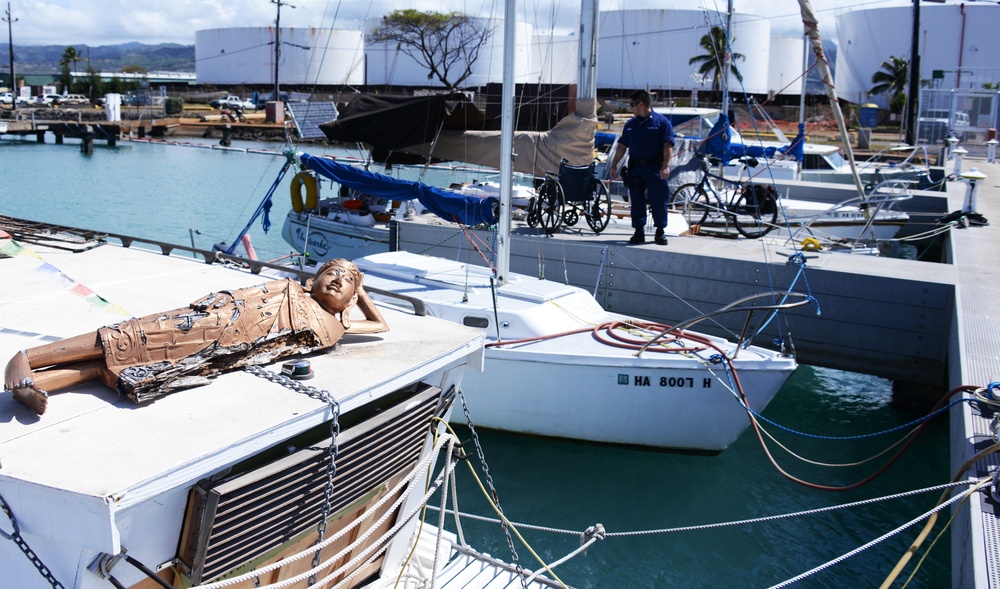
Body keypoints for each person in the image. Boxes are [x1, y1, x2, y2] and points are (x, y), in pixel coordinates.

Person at [3, 259, 388, 416]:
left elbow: (381, 326)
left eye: (346, 280)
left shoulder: (335, 326)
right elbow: (243, 299)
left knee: (138, 365)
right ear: (314, 277)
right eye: (332, 272)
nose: (337, 280)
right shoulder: (291, 288)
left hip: (231, 352)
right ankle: (29, 357)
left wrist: (359, 291)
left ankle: (38, 383)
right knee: (136, 335)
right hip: (215, 321)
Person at [609, 90, 674, 246]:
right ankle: (639, 231)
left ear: (641, 104)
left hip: (655, 168)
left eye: (632, 105)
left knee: (658, 200)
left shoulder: (661, 122)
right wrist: (614, 164)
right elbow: (622, 146)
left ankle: (660, 232)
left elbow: (668, 146)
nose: (630, 108)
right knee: (637, 201)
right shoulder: (631, 124)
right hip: (636, 168)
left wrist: (666, 166)